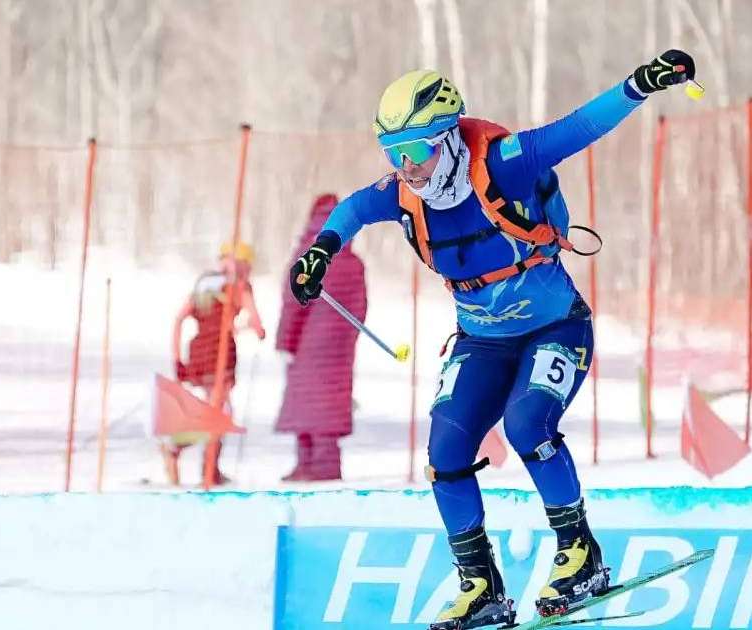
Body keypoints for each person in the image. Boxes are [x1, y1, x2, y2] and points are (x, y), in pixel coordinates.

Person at [287, 52, 699, 629]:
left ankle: (580, 554)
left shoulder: (502, 164)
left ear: (448, 136)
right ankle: (480, 586)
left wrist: (640, 84)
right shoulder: (405, 193)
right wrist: (320, 251)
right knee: (445, 452)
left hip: (555, 327)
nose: (407, 168)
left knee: (528, 425)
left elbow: (578, 128)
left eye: (416, 151)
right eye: (394, 154)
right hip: (482, 342)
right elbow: (351, 209)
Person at [275, 194, 367, 481]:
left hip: (307, 344)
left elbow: (294, 302)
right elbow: (361, 308)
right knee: (327, 403)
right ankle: (321, 465)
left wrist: (285, 342)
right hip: (339, 348)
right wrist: (347, 338)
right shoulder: (353, 261)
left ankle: (310, 466)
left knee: (307, 401)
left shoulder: (308, 255)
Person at [169, 241, 266, 486]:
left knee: (217, 410)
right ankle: (180, 450)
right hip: (220, 356)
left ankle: (206, 466)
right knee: (221, 413)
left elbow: (179, 320)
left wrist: (177, 358)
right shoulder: (241, 287)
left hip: (198, 353)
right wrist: (247, 329)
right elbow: (257, 325)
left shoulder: (205, 284)